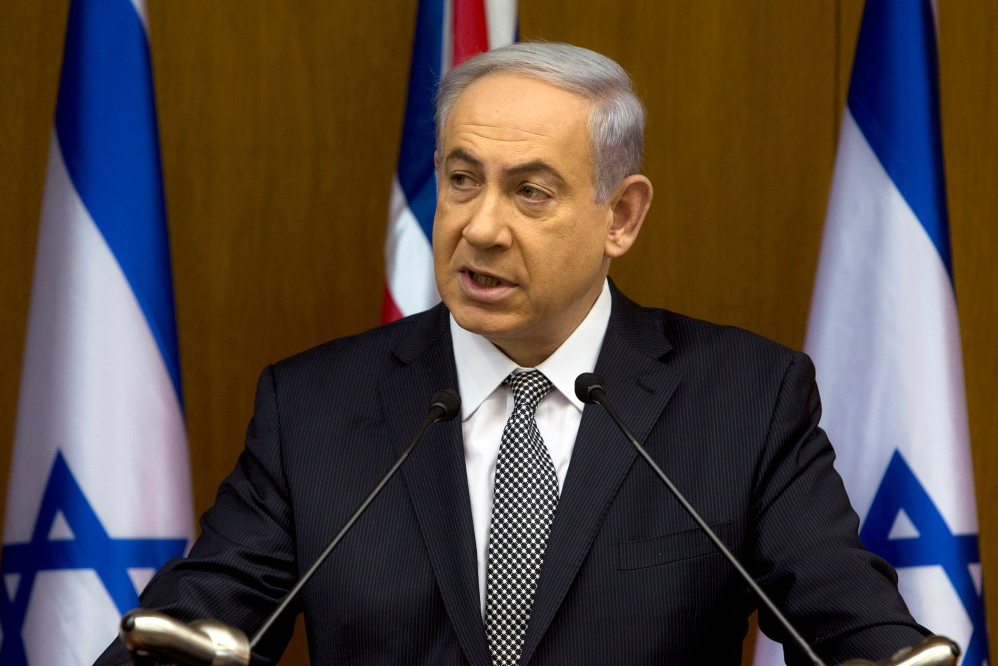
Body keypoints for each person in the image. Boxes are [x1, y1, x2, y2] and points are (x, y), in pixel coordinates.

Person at [97, 42, 927, 665]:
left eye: (530, 191)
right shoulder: (313, 406)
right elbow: (193, 628)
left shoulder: (744, 398)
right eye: (463, 180)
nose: (481, 227)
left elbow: (854, 626)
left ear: (621, 216)